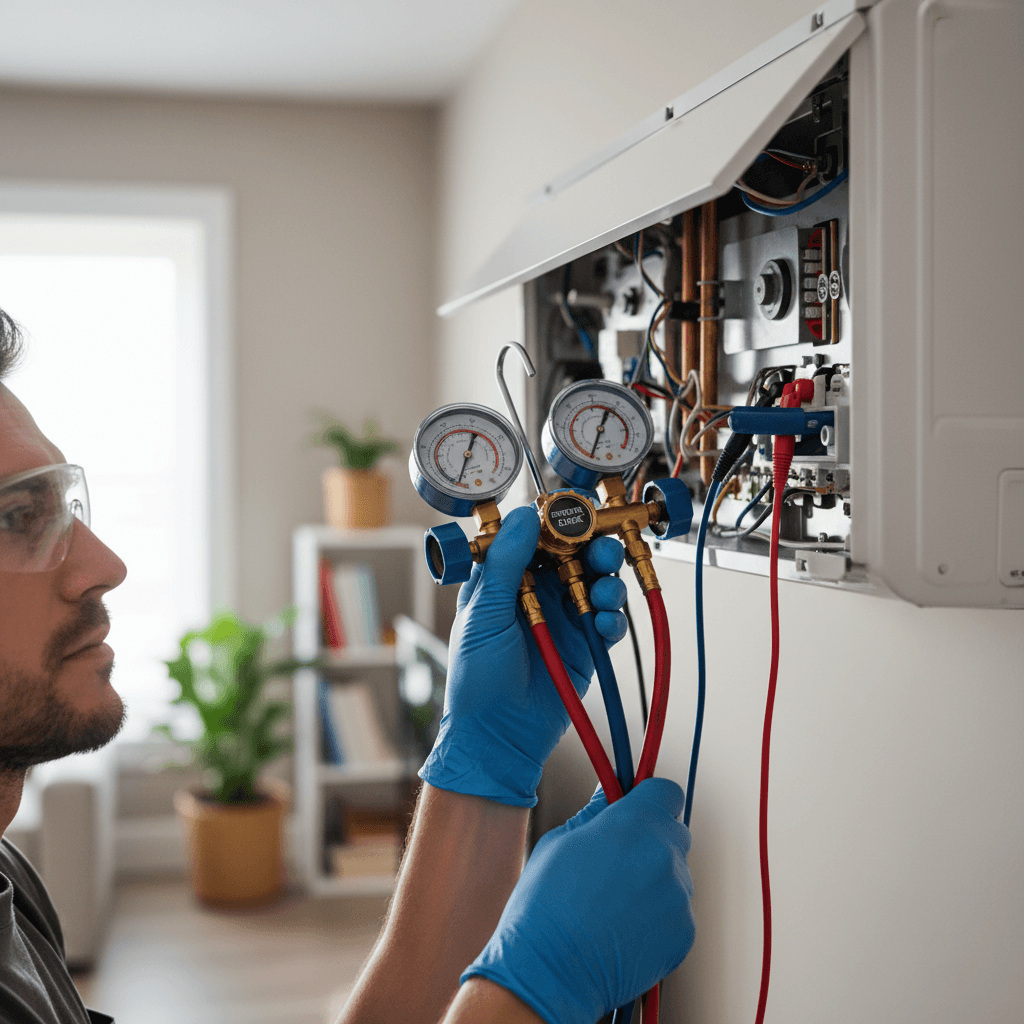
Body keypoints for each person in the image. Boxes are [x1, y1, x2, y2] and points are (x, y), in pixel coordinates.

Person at [0, 310, 694, 1024]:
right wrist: (531, 993)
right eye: (17, 517)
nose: (105, 566)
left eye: (64, 506)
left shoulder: (12, 883)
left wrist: (485, 760)